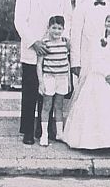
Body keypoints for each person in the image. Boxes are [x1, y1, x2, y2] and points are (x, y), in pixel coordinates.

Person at [14, 0, 72, 145]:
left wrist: (63, 41)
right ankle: (28, 130)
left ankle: (44, 129)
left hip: (55, 50)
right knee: (31, 91)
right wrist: (34, 42)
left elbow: (67, 19)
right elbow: (20, 20)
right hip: (34, 49)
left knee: (50, 93)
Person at [63, 10, 110, 149]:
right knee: (96, 107)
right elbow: (95, 60)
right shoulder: (98, 41)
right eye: (109, 20)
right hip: (99, 77)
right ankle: (94, 142)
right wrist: (106, 74)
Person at [36, 16, 71, 147]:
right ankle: (44, 134)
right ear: (48, 28)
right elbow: (39, 64)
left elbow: (66, 62)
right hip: (49, 77)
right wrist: (41, 82)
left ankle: (59, 133)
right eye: (54, 28)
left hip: (62, 78)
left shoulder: (66, 43)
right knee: (47, 105)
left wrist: (68, 80)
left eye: (59, 28)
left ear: (63, 29)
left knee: (59, 106)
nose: (56, 31)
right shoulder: (44, 43)